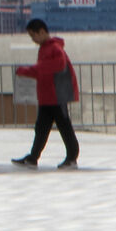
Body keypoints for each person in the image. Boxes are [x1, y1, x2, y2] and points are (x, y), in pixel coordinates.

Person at [12, 18, 79, 169]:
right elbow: (44, 70)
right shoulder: (45, 48)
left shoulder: (55, 48)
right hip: (47, 96)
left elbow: (55, 66)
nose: (33, 39)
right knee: (41, 128)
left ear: (41, 32)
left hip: (56, 96)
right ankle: (33, 157)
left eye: (33, 36)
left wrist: (28, 71)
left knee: (64, 126)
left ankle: (72, 156)